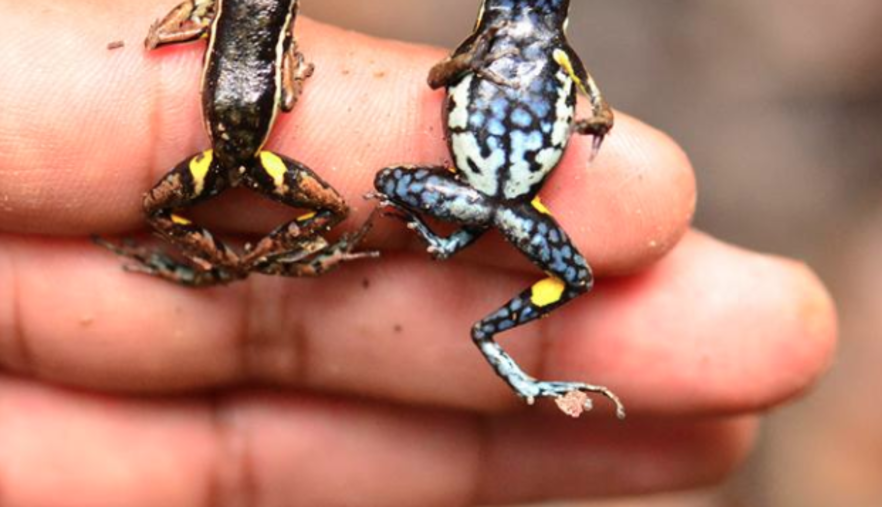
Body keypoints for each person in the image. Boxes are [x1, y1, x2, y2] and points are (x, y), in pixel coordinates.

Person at [0, 4, 837, 506]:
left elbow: (452, 83)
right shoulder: (557, 58)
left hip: (475, 196)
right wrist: (581, 119)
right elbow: (589, 116)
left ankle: (483, 321)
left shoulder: (498, 51)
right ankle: (469, 307)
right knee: (534, 260)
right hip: (471, 194)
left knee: (519, 247)